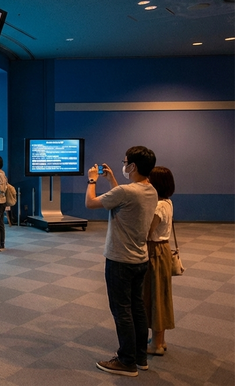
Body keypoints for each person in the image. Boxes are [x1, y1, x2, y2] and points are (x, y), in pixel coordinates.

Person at [86, 146, 157, 377]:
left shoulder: (126, 192)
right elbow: (122, 200)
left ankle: (126, 361)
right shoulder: (150, 190)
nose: (124, 165)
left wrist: (92, 180)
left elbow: (90, 203)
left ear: (133, 166)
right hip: (140, 259)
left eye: (125, 162)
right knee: (137, 308)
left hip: (120, 260)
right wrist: (112, 180)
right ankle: (140, 357)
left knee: (121, 310)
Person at [144, 166, 176, 356]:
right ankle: (160, 340)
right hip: (163, 250)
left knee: (154, 296)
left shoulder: (158, 207)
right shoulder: (167, 202)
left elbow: (147, 231)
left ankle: (156, 344)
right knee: (161, 295)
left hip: (154, 251)